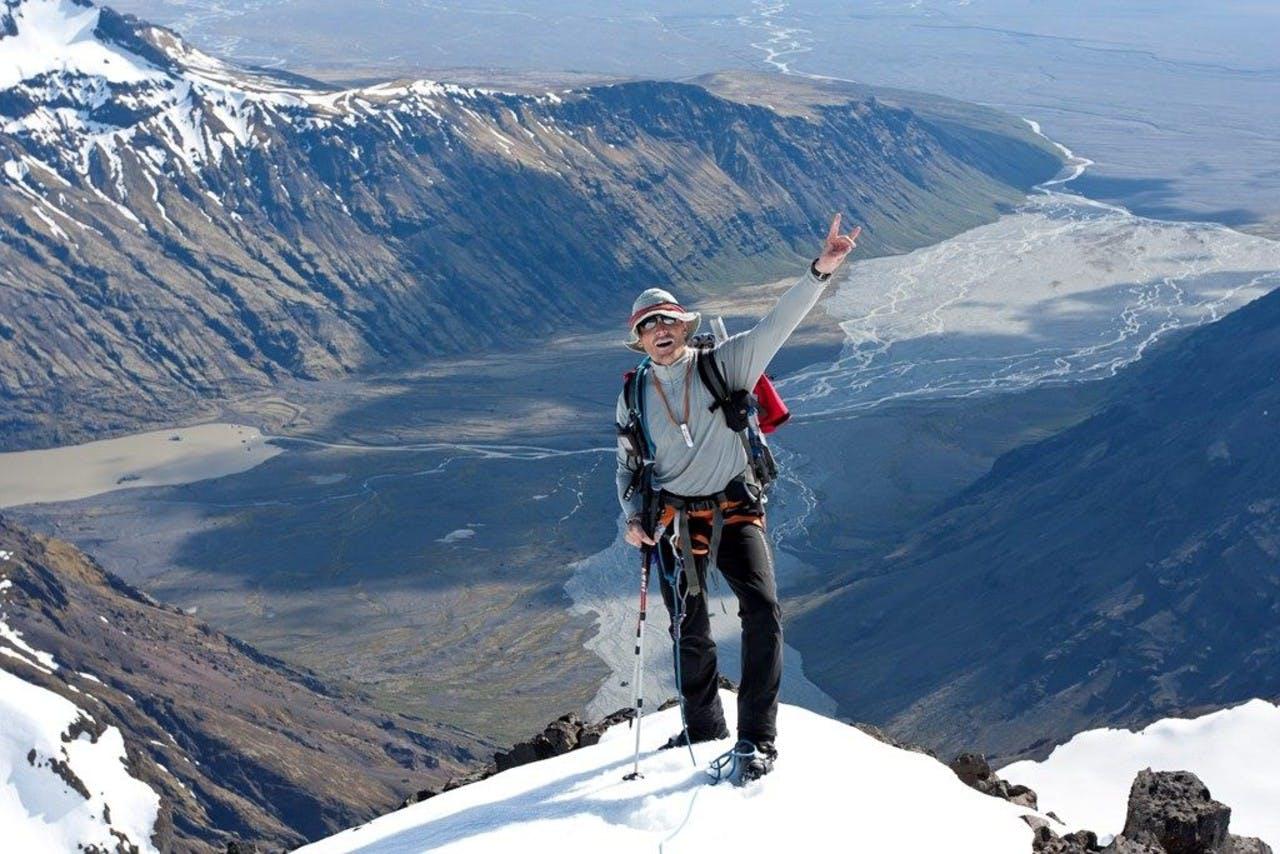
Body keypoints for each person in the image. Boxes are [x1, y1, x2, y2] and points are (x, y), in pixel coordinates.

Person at [615, 213, 861, 782]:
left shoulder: (725, 365)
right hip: (676, 519)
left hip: (733, 507)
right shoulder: (631, 396)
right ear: (640, 338)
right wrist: (633, 517)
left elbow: (778, 325)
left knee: (763, 614)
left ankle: (756, 738)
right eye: (650, 325)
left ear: (684, 325)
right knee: (689, 626)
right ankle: (703, 725)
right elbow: (627, 463)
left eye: (669, 320)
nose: (661, 330)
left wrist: (821, 270)